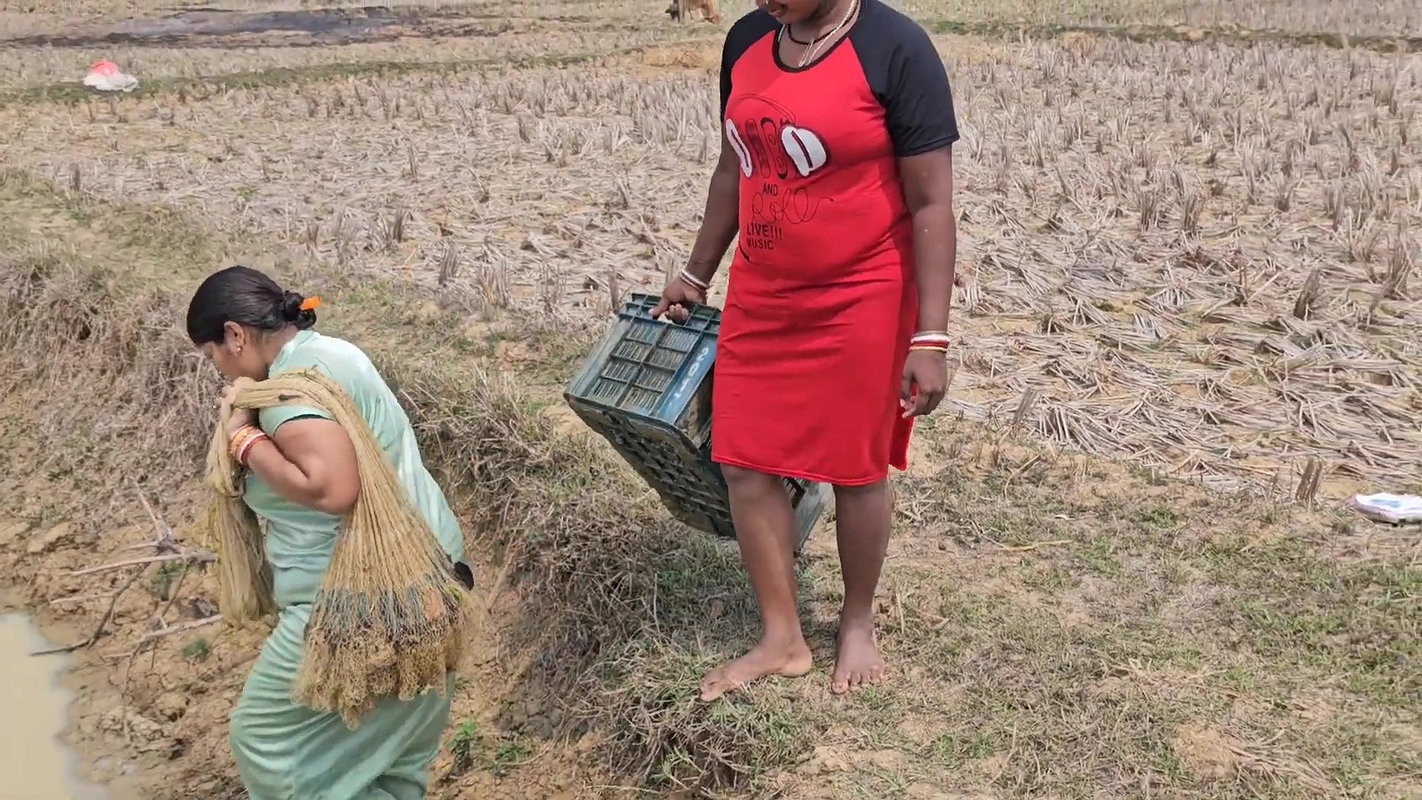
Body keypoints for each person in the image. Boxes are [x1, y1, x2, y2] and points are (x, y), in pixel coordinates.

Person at [651, 0, 959, 700]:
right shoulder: (748, 40)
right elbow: (735, 168)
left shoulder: (895, 50)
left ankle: (855, 620)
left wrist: (930, 336)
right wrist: (697, 272)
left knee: (855, 469)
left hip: (865, 292)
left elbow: (932, 203)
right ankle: (782, 637)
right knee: (742, 460)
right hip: (764, 290)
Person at [186, 265, 471, 800]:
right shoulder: (334, 353)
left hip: (361, 605)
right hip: (433, 581)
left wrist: (244, 438)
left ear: (234, 334)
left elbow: (332, 489)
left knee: (266, 741)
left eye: (213, 356)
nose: (222, 373)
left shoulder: (292, 394)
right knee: (389, 767)